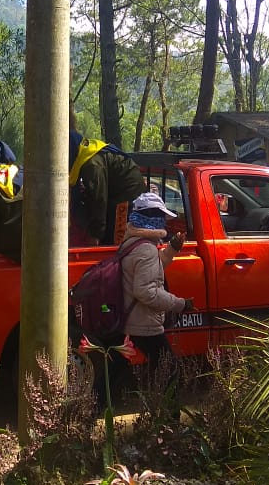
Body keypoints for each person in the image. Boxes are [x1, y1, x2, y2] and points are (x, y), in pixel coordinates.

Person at [120, 192, 192, 379]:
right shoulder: (146, 249)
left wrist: (171, 249)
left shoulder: (131, 242)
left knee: (159, 370)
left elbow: (150, 268)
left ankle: (158, 406)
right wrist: (180, 304)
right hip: (144, 324)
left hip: (133, 319)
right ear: (154, 218)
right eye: (161, 217)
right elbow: (146, 291)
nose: (164, 222)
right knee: (169, 373)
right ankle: (167, 408)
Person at [68, 130, 146, 246]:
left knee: (115, 235)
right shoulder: (84, 156)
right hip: (113, 192)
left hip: (127, 192)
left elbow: (99, 199)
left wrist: (95, 235)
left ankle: (113, 256)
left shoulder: (92, 164)